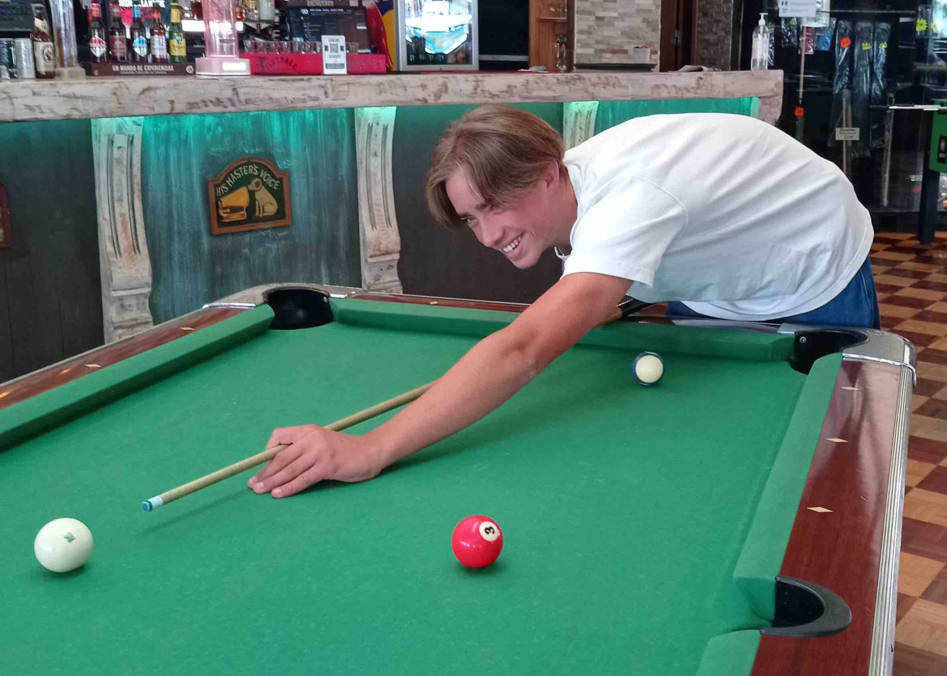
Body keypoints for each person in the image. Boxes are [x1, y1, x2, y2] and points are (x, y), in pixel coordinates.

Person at [250, 105, 877, 499]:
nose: (488, 236)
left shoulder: (628, 201)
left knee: (819, 490)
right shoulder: (578, 193)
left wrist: (371, 448)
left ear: (549, 173)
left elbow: (522, 349)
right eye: (472, 219)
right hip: (720, 279)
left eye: (493, 208)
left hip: (814, 268)